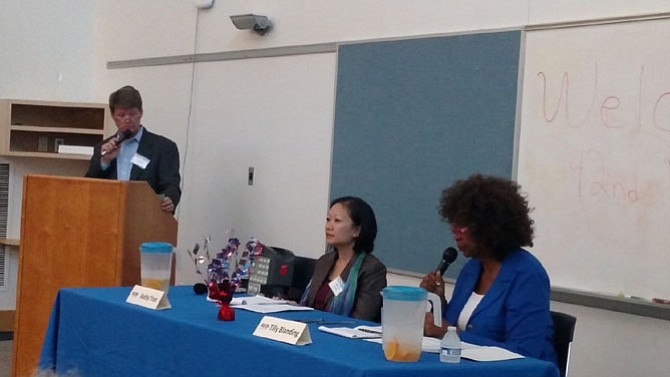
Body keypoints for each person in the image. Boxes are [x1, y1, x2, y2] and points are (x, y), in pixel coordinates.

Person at [421, 174, 557, 365]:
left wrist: (449, 334)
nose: (456, 235)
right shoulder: (472, 269)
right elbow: (453, 325)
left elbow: (524, 353)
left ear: (489, 226)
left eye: (463, 227)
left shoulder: (527, 275)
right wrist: (439, 302)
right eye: (454, 226)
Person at [85, 85, 181, 213]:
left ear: (141, 112)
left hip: (145, 218)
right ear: (113, 116)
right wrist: (105, 161)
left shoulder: (164, 148)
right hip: (108, 218)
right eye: (121, 115)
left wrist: (170, 199)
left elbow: (171, 185)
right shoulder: (102, 148)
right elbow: (89, 187)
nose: (127, 119)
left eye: (132, 114)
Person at [300, 196, 387, 322]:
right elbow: (308, 305)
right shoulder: (324, 261)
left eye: (337, 221)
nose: (329, 226)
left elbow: (362, 318)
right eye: (328, 219)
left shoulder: (371, 269)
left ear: (357, 230)